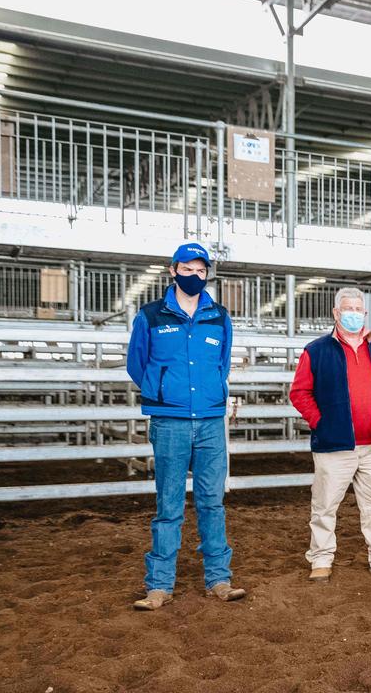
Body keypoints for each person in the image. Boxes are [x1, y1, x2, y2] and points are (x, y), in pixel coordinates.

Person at [126, 242, 246, 610]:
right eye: (187, 269)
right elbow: (136, 364)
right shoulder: (151, 315)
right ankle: (159, 585)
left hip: (210, 421)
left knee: (213, 502)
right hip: (170, 421)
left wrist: (210, 394)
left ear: (207, 274)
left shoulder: (219, 317)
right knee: (169, 505)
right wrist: (162, 391)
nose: (194, 276)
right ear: (172, 270)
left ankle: (219, 579)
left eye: (200, 270)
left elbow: (222, 365)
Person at [289, 287, 371, 583]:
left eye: (358, 310)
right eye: (348, 309)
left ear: (365, 313)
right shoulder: (316, 350)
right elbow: (299, 393)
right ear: (336, 313)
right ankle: (320, 559)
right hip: (335, 445)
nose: (353, 314)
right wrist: (321, 421)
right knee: (324, 505)